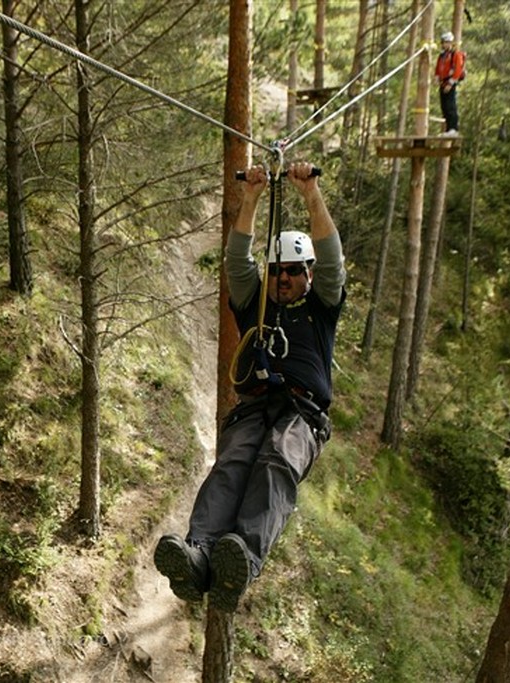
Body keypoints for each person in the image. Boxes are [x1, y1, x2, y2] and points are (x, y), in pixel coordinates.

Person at [154, 162, 346, 612]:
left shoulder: (321, 309)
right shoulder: (255, 304)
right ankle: (199, 555)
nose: (284, 279)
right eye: (278, 270)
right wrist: (253, 197)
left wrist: (310, 193)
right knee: (233, 465)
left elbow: (333, 258)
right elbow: (238, 261)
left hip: (303, 414)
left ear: (308, 275)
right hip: (254, 407)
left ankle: (243, 556)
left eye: (295, 271)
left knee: (276, 461)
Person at [435, 31, 465, 136]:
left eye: (446, 42)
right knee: (444, 107)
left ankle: (454, 128)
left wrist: (450, 83)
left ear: (451, 43)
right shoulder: (442, 56)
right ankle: (448, 129)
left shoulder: (455, 55)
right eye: (443, 42)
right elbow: (438, 68)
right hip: (442, 83)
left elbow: (457, 70)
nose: (444, 45)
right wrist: (437, 78)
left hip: (450, 83)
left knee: (450, 106)